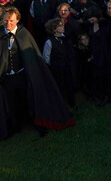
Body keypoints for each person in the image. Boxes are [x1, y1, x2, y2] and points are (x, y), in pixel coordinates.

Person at [0, 7, 74, 138]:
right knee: (11, 103)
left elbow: (32, 56)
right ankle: (14, 127)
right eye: (5, 21)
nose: (8, 24)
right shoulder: (1, 34)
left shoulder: (24, 34)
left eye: (11, 21)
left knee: (30, 99)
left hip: (23, 75)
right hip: (7, 78)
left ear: (17, 20)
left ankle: (35, 122)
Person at [42, 18, 76, 108]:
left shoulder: (66, 39)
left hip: (67, 67)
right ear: (54, 29)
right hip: (57, 69)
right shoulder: (50, 42)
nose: (62, 27)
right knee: (59, 87)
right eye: (60, 25)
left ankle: (72, 103)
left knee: (69, 85)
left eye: (62, 25)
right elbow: (46, 57)